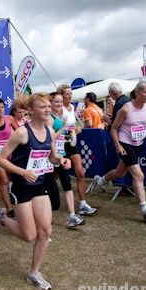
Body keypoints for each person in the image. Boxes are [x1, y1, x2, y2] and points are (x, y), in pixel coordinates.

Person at [0, 92, 71, 290]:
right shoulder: (21, 132)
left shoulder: (47, 130)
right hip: (21, 186)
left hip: (40, 184)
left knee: (45, 231)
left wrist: (61, 161)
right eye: (43, 107)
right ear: (30, 111)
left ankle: (34, 272)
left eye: (48, 106)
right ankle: (3, 217)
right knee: (29, 236)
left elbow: (52, 157)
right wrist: (22, 172)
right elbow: (0, 159)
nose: (47, 110)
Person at [93, 81, 146, 222]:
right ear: (137, 92)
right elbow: (113, 128)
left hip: (138, 144)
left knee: (120, 173)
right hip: (125, 143)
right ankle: (145, 209)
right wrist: (118, 146)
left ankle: (100, 180)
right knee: (139, 176)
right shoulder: (126, 109)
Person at [57, 85, 97, 216]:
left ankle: (83, 204)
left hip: (72, 143)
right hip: (61, 144)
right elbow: (57, 126)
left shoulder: (72, 107)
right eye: (66, 94)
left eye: (70, 94)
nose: (69, 96)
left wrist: (76, 129)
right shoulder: (59, 108)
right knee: (55, 174)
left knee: (80, 173)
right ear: (61, 95)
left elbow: (72, 125)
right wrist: (66, 130)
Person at [47, 93, 85, 228]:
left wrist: (71, 134)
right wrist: (63, 128)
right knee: (47, 190)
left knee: (67, 185)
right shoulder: (49, 119)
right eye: (56, 102)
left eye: (60, 102)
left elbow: (62, 137)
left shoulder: (61, 117)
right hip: (49, 158)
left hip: (61, 155)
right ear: (50, 102)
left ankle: (72, 216)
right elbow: (50, 139)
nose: (58, 104)